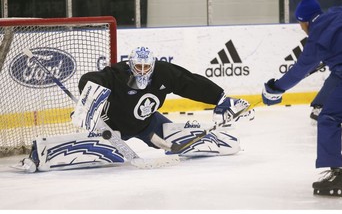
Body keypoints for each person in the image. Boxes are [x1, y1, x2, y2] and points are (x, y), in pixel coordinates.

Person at [16, 46, 251, 172]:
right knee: (99, 151)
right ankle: (41, 154)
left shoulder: (163, 73)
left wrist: (220, 97)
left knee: (174, 139)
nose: (142, 70)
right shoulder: (117, 74)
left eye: (146, 66)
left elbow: (189, 82)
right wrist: (88, 101)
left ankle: (221, 142)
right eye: (137, 66)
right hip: (113, 128)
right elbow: (91, 78)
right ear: (130, 65)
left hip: (149, 125)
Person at [262, 0, 342, 197]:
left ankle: (336, 174)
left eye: (300, 25)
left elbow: (299, 70)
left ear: (304, 21)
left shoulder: (317, 37)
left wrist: (275, 89)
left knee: (329, 118)